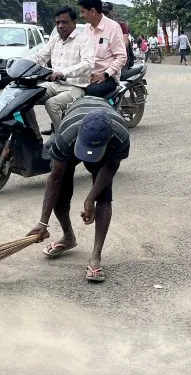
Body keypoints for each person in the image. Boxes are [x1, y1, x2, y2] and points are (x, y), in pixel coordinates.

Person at [27, 97, 131, 283]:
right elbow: (55, 178)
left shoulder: (120, 136)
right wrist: (43, 222)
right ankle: (68, 237)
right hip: (72, 138)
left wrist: (90, 199)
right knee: (61, 191)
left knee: (104, 195)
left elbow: (110, 169)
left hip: (105, 148)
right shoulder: (65, 136)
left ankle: (96, 256)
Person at [29, 5, 95, 132]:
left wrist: (63, 73)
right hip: (54, 85)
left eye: (64, 22)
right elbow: (40, 57)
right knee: (24, 98)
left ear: (74, 23)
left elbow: (88, 64)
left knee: (52, 104)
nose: (60, 26)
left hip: (76, 88)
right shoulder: (54, 41)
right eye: (58, 22)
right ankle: (34, 135)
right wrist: (19, 63)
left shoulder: (84, 40)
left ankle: (62, 138)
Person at [78, 0, 126, 98]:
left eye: (83, 12)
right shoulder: (86, 29)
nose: (81, 16)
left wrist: (105, 74)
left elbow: (122, 57)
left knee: (91, 91)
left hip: (107, 77)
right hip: (88, 76)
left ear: (92, 11)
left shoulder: (113, 27)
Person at [101, 1, 133, 67]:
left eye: (106, 13)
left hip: (119, 60)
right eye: (102, 12)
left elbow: (125, 43)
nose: (104, 15)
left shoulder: (121, 25)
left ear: (112, 12)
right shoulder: (99, 26)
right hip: (103, 60)